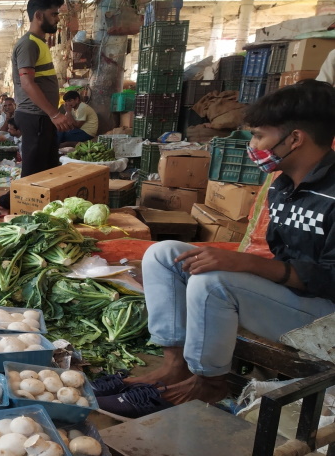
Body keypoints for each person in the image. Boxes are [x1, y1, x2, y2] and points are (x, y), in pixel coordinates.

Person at [94, 80, 335, 417]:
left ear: (295, 138)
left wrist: (245, 265)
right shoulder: (283, 185)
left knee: (214, 283)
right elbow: (282, 256)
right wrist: (245, 266)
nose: (253, 146)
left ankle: (208, 383)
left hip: (324, 319)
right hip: (292, 297)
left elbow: (329, 278)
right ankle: (175, 365)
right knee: (163, 255)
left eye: (259, 136)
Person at [0, 0, 75, 214]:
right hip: (35, 116)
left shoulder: (39, 43)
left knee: (47, 166)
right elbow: (27, 83)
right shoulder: (28, 44)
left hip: (42, 117)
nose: (58, 18)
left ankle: (32, 206)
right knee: (33, 168)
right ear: (39, 15)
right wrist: (54, 113)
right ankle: (11, 204)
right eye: (54, 14)